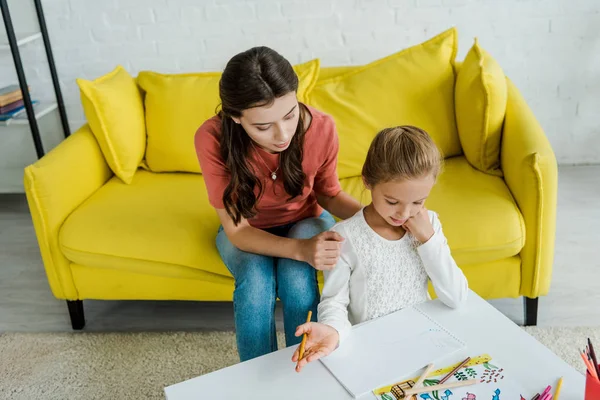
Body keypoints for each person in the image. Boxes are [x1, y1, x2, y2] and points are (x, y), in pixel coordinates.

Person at [195, 46, 362, 362]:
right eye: (262, 126)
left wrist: (378, 217)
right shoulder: (211, 137)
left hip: (306, 220)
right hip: (247, 230)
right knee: (255, 284)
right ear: (235, 117)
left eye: (290, 115)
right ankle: (260, 383)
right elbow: (238, 231)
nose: (282, 134)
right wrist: (300, 250)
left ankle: (307, 372)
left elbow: (328, 194)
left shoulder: (322, 127)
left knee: (297, 281)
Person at [291, 126, 469, 372]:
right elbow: (334, 302)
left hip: (423, 345)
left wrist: (429, 240)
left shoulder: (430, 226)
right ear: (368, 181)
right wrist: (334, 330)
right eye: (392, 202)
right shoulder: (346, 236)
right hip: (371, 350)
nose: (404, 214)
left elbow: (456, 297)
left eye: (418, 202)